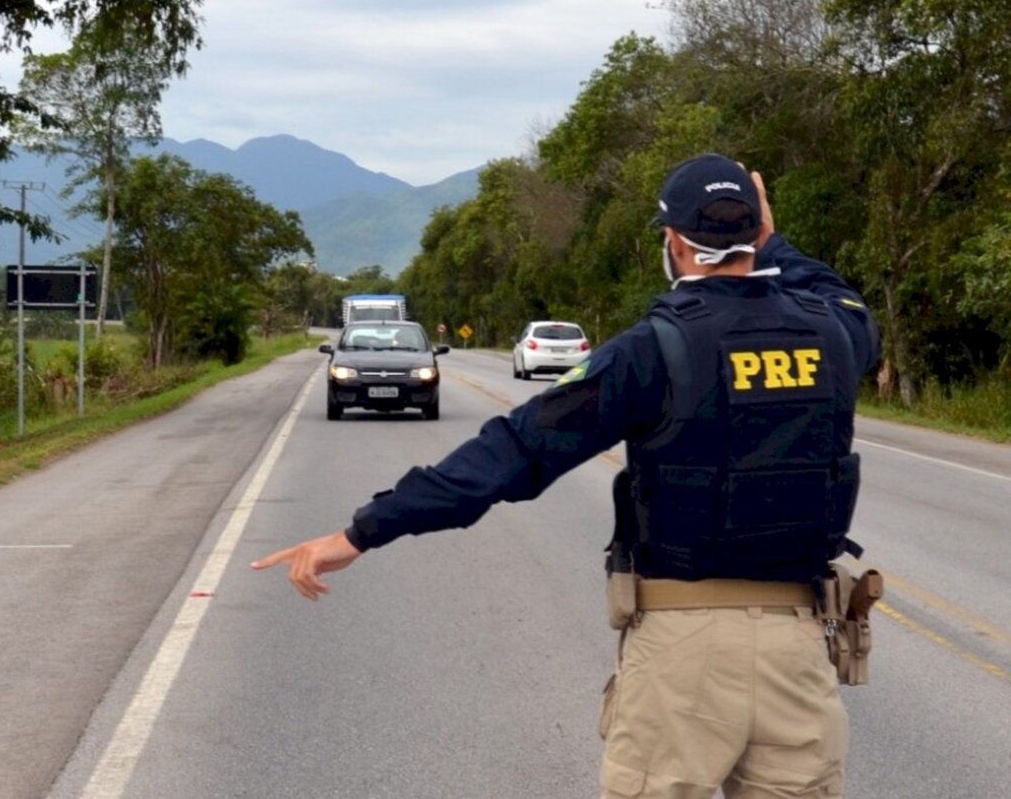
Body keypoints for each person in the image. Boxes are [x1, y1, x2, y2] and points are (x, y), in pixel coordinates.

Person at [252, 153, 880, 798]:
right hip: (801, 649)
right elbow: (834, 292)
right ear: (758, 233)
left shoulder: (655, 349)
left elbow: (511, 453)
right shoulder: (837, 331)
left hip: (683, 656)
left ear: (672, 242)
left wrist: (362, 533)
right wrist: (775, 241)